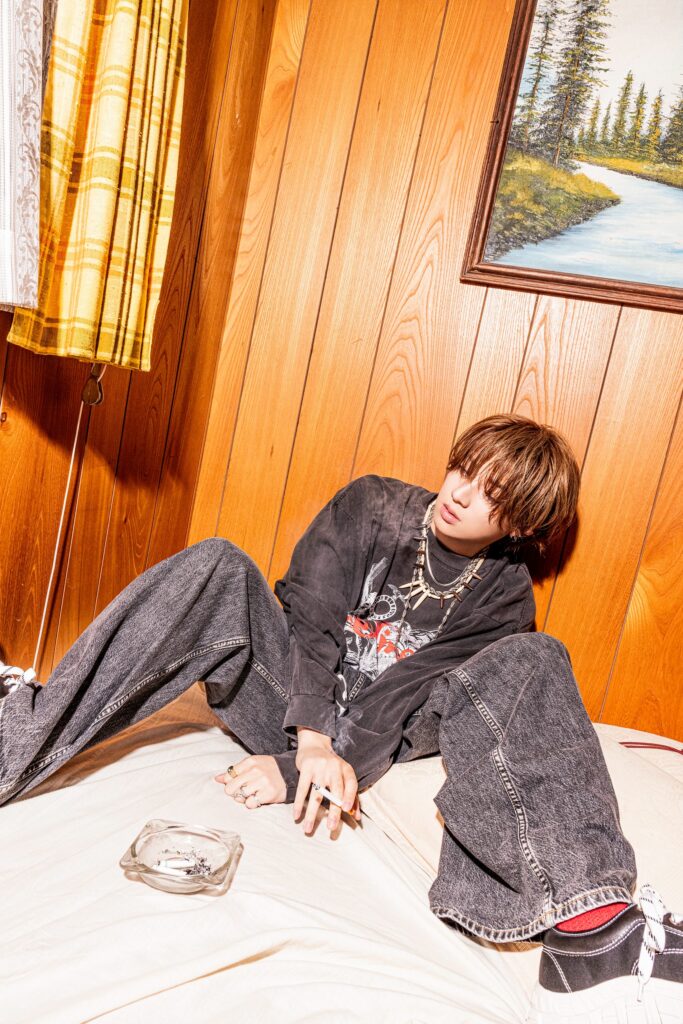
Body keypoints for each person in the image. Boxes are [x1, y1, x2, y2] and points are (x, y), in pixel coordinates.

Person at [1, 414, 680, 1022]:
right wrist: (309, 741)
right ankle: (14, 742)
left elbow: (398, 696)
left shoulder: (503, 597)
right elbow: (313, 623)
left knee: (535, 655)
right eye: (464, 470)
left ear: (522, 526)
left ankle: (593, 934)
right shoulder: (373, 504)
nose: (460, 494)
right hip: (294, 693)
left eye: (491, 496)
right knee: (218, 563)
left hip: (381, 736)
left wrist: (301, 768)